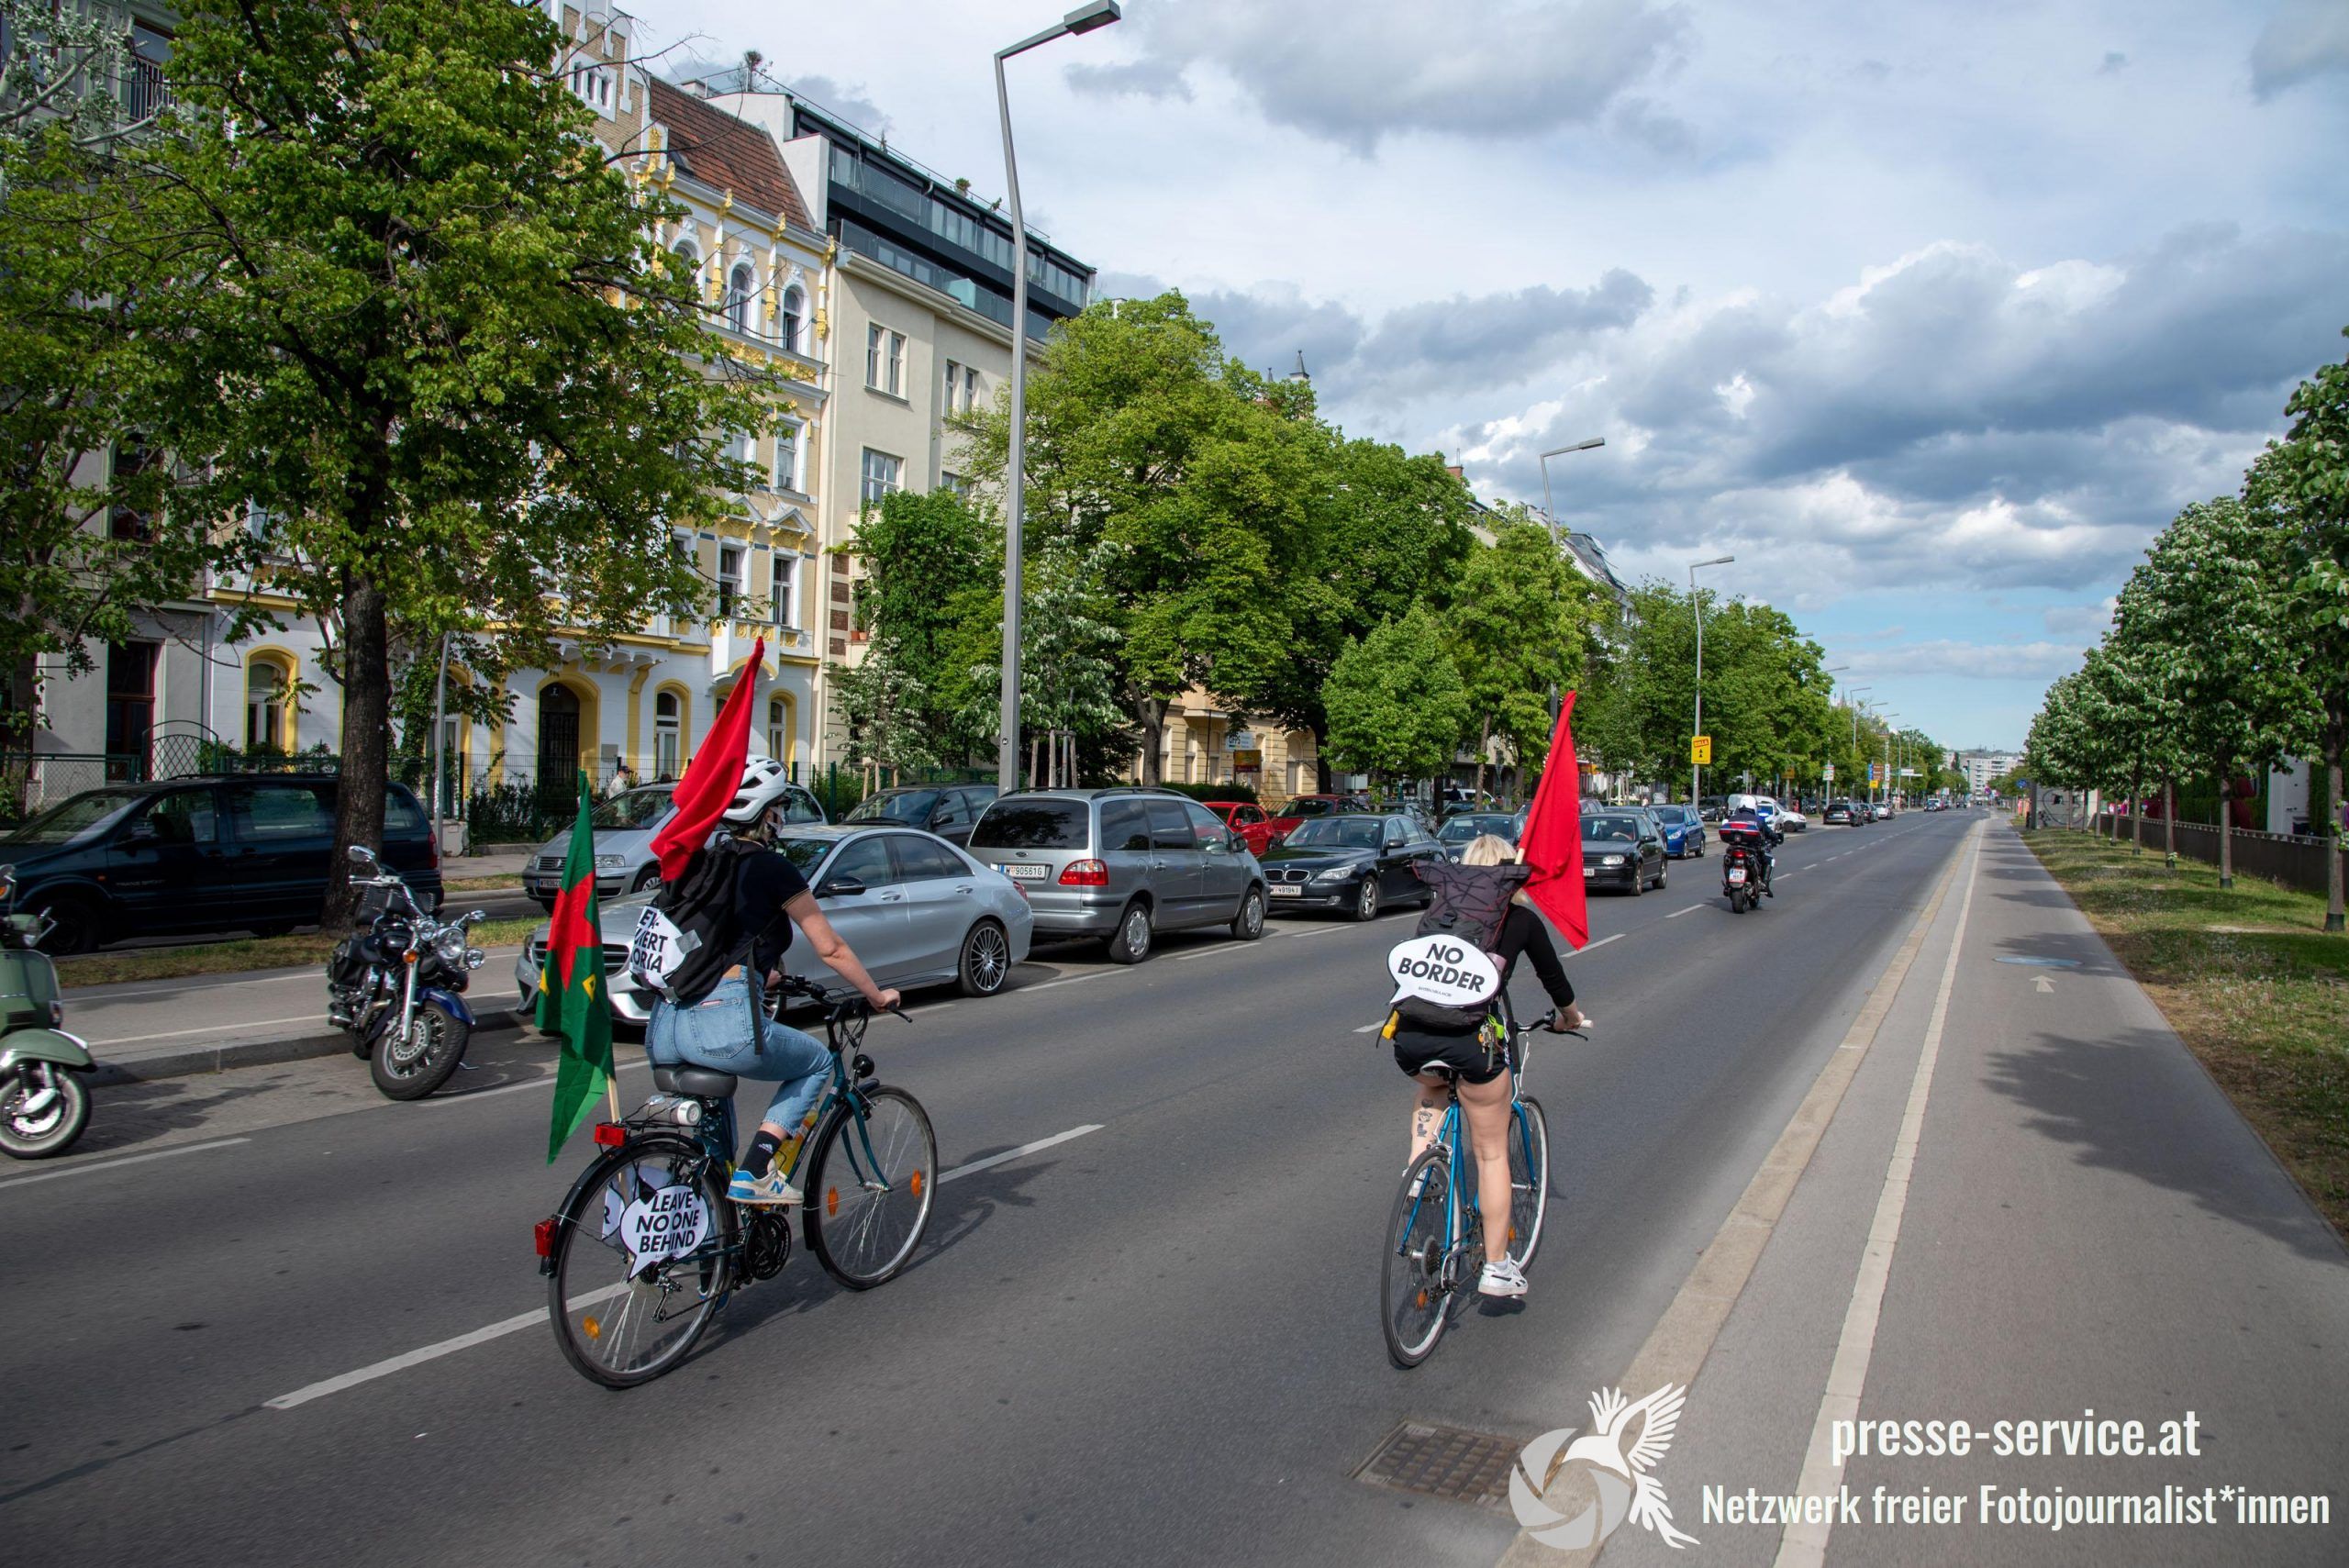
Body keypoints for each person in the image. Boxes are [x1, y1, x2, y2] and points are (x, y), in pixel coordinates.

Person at [644, 762, 901, 1207]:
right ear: (768, 814)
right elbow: (830, 947)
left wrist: (765, 972)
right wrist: (876, 995)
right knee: (818, 1063)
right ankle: (758, 1169)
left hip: (666, 1025)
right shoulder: (772, 868)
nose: (783, 814)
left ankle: (710, 1234)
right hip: (721, 1025)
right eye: (781, 805)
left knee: (713, 1153)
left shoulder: (702, 862)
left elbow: (717, 939)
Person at [1391, 835, 1587, 1301]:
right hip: (1471, 1043)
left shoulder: (1440, 915)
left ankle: (1420, 1168)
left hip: (1411, 1037)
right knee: (1492, 1151)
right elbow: (1555, 981)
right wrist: (1570, 1018)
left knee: (1432, 1088)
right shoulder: (1519, 920)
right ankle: (1497, 1267)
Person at [1718, 803, 1782, 895]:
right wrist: (1776, 838)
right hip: (1752, 850)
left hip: (1734, 849)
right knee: (1769, 859)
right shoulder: (1759, 820)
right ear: (1753, 807)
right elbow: (1769, 833)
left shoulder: (1733, 818)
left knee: (1727, 859)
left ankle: (1728, 883)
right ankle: (1764, 884)